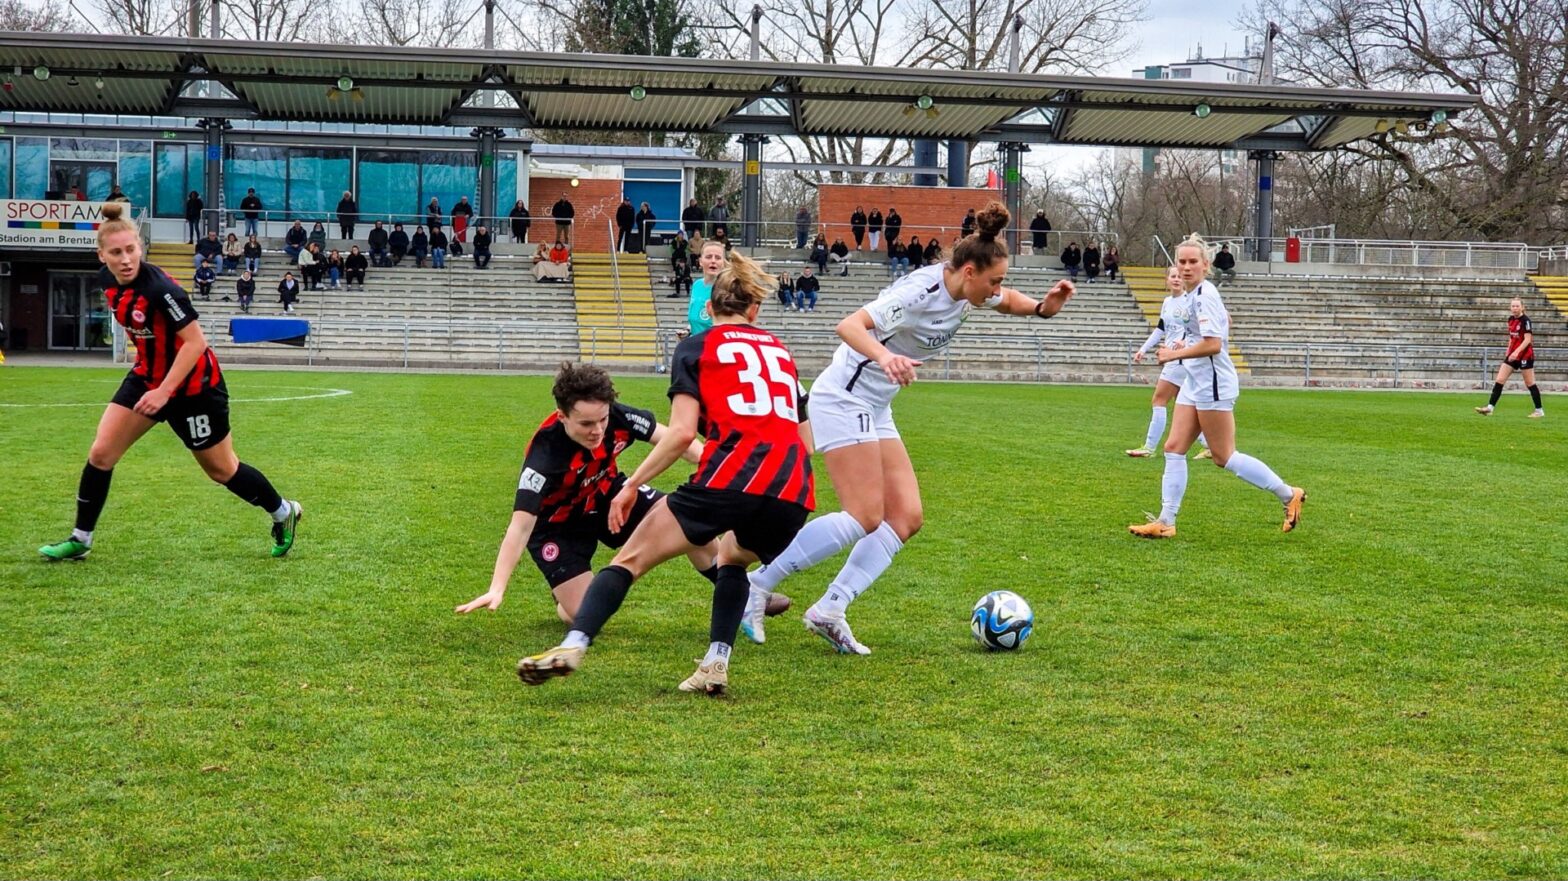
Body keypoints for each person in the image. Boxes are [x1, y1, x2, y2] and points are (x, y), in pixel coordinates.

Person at [741, 202, 1076, 652]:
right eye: (994, 280)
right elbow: (850, 325)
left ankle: (830, 609)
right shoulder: (920, 291)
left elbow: (1009, 300)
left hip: (877, 405)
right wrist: (886, 356)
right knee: (864, 515)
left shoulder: (971, 287)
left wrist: (1042, 308)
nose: (998, 289)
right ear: (969, 271)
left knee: (905, 517)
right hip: (844, 396)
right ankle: (756, 586)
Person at [516, 252, 814, 696]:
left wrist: (631, 486)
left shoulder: (696, 347)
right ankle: (716, 662)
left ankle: (573, 645)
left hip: (732, 477)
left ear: (708, 310)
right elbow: (807, 438)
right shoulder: (781, 352)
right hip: (794, 489)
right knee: (730, 558)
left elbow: (679, 435)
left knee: (628, 561)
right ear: (754, 310)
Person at [36, 204, 302, 564]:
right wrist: (149, 369)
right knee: (101, 454)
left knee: (222, 470)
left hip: (195, 389)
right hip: (147, 378)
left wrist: (163, 392)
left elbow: (195, 343)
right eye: (116, 252)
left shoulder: (161, 289)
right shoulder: (106, 281)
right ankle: (81, 538)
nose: (126, 258)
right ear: (102, 256)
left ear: (140, 248)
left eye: (131, 249)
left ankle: (283, 511)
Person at [455, 362, 725, 625]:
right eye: (586, 424)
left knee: (688, 518)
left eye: (602, 419)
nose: (597, 431)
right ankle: (564, 596)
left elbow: (678, 442)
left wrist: (720, 469)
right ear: (562, 416)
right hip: (557, 526)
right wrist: (497, 587)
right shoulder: (544, 457)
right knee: (587, 612)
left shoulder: (619, 416)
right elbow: (520, 527)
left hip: (608, 494)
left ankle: (737, 587)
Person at [1127, 235, 1305, 539]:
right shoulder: (1191, 295)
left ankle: (1289, 494)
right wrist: (1186, 341)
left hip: (1213, 383)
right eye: (1180, 261)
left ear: (1205, 265)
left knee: (1224, 456)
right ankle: (1166, 521)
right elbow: (1215, 327)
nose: (1185, 267)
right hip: (1195, 381)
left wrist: (1175, 352)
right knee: (1173, 449)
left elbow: (1213, 344)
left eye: (1192, 261)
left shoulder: (1204, 294)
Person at [1126, 266, 1211, 460]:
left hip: (1179, 358)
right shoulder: (1167, 302)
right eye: (1172, 276)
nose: (1176, 279)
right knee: (1187, 403)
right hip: (1174, 358)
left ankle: (1149, 447)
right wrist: (1143, 348)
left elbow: (1195, 327)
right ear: (1167, 280)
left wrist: (1184, 341)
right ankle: (1210, 445)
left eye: (1179, 276)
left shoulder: (1189, 300)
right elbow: (1161, 329)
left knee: (1159, 399)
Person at [1476, 297, 1544, 418]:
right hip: (1512, 355)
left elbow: (1528, 340)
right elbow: (1512, 338)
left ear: (1522, 307)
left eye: (1517, 306)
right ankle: (1490, 408)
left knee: (1530, 383)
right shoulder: (1511, 319)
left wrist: (1517, 352)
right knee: (1499, 380)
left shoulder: (1526, 321)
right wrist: (1509, 351)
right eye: (1513, 306)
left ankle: (1539, 411)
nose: (1515, 308)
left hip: (1525, 355)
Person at [687, 239, 725, 335]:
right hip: (695, 345)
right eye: (708, 257)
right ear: (700, 261)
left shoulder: (727, 290)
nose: (713, 261)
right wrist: (688, 331)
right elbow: (695, 320)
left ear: (723, 262)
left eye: (717, 258)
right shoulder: (697, 285)